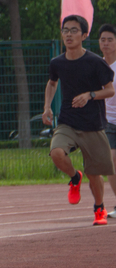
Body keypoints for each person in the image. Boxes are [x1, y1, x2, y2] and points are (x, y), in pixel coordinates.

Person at [42, 15, 115, 226]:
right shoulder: (57, 62)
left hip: (93, 124)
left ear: (84, 35)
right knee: (56, 153)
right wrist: (47, 107)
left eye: (74, 30)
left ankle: (99, 208)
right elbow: (52, 83)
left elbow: (109, 90)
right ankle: (75, 177)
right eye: (65, 30)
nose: (68, 34)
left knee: (95, 174)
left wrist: (89, 95)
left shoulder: (95, 62)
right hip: (68, 121)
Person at [99, 23, 116, 219]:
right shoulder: (98, 65)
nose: (106, 43)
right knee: (112, 161)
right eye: (102, 39)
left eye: (110, 39)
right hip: (109, 122)